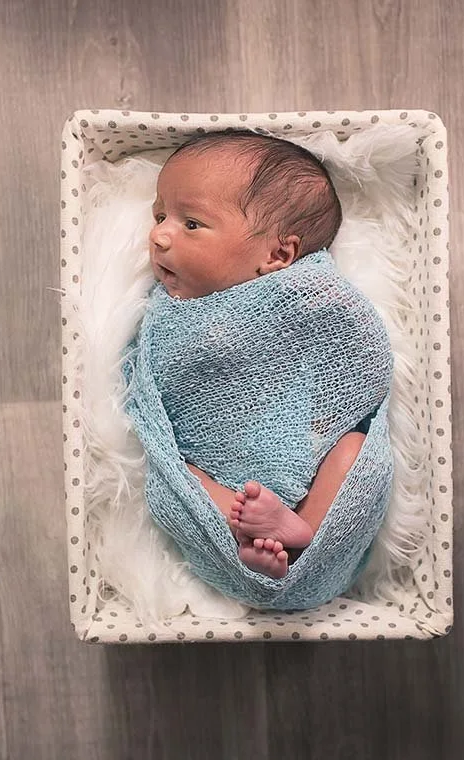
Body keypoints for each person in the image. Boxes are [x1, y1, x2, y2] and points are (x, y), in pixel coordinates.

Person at [145, 130, 389, 580]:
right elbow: (152, 389)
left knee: (354, 450)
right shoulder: (167, 310)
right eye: (160, 215)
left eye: (190, 223)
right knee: (181, 478)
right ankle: (244, 540)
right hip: (219, 475)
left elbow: (355, 359)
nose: (159, 235)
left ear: (278, 254)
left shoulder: (308, 297)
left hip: (308, 462)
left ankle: (306, 530)